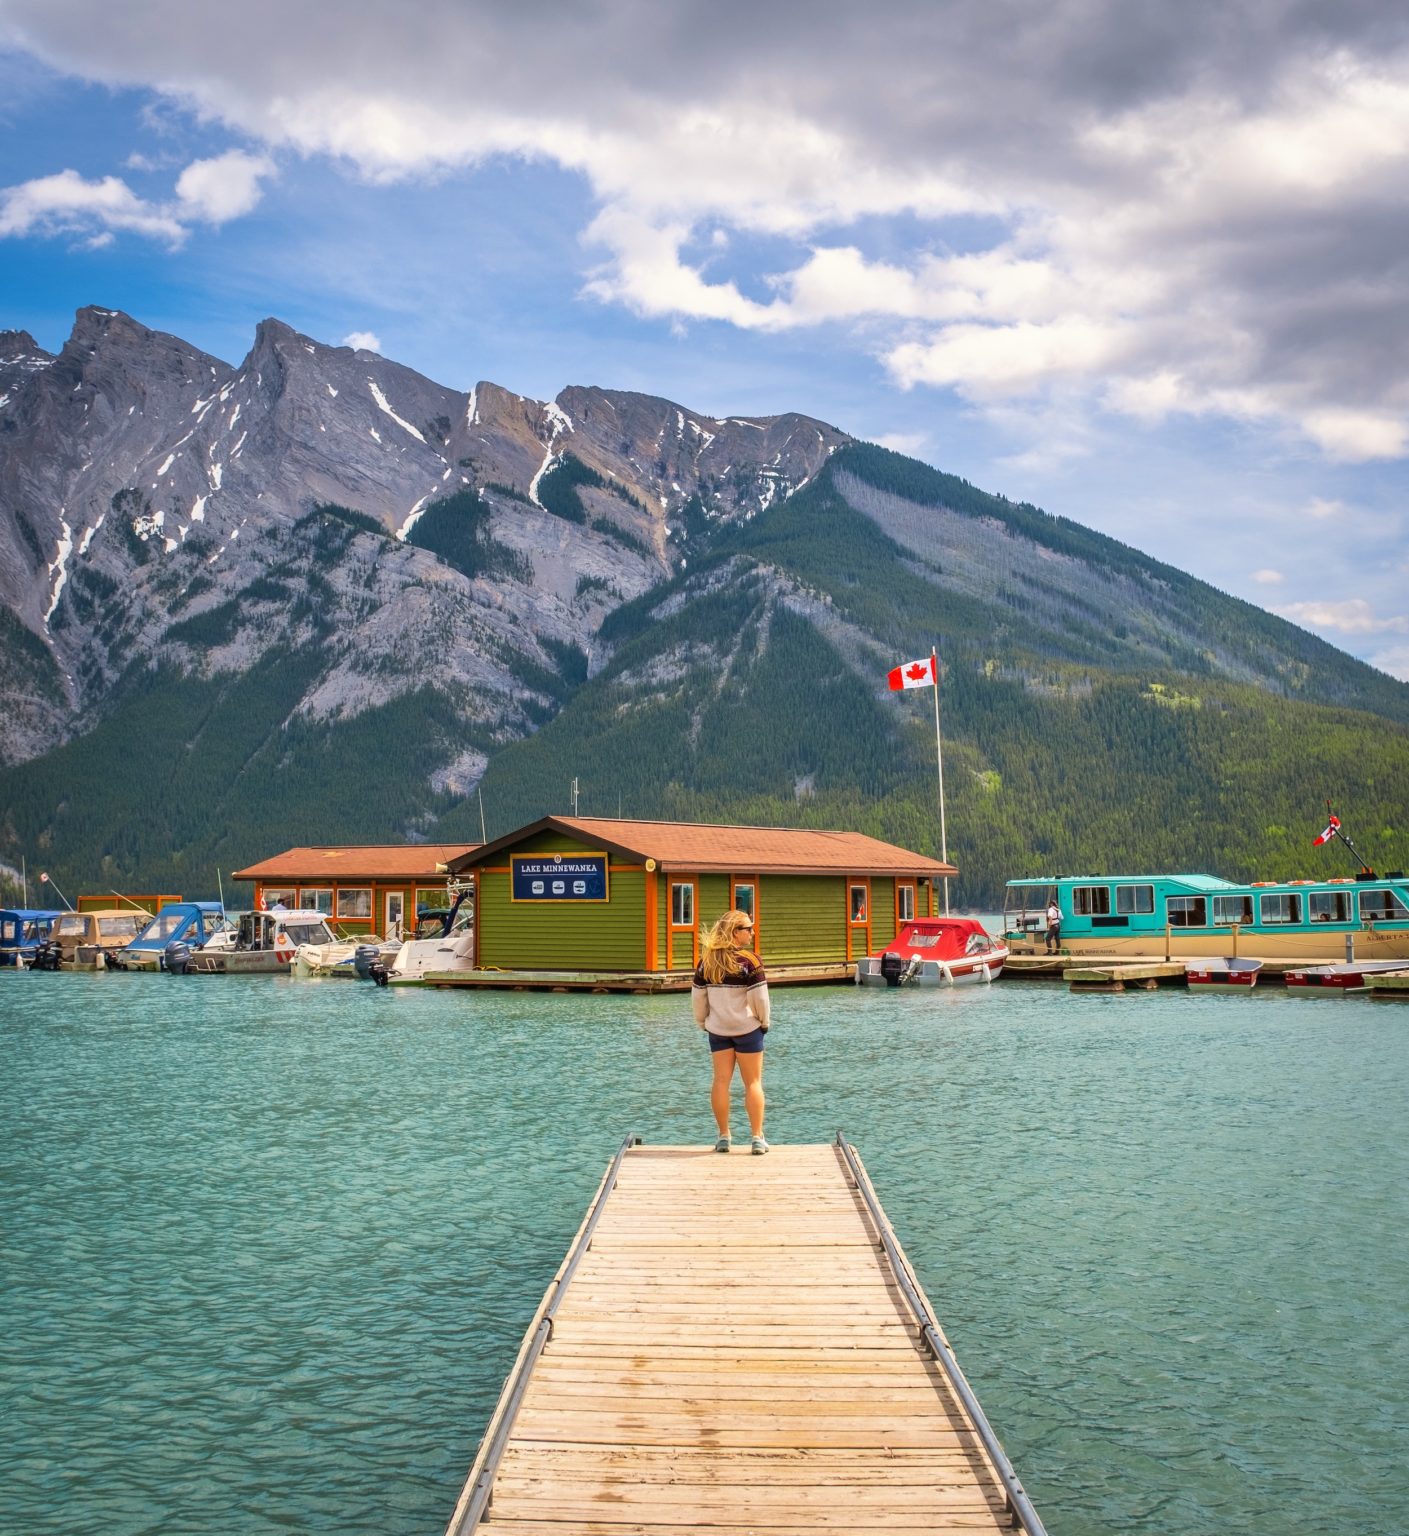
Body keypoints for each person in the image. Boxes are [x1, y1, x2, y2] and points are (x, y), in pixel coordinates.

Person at [692, 909, 770, 1155]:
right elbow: (760, 1000)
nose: (752, 932)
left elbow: (698, 998)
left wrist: (703, 1022)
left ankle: (724, 1136)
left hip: (718, 1030)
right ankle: (757, 1137)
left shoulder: (707, 962)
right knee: (753, 1083)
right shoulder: (751, 961)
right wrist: (763, 1023)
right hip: (747, 1029)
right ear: (736, 932)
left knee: (721, 1082)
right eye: (748, 928)